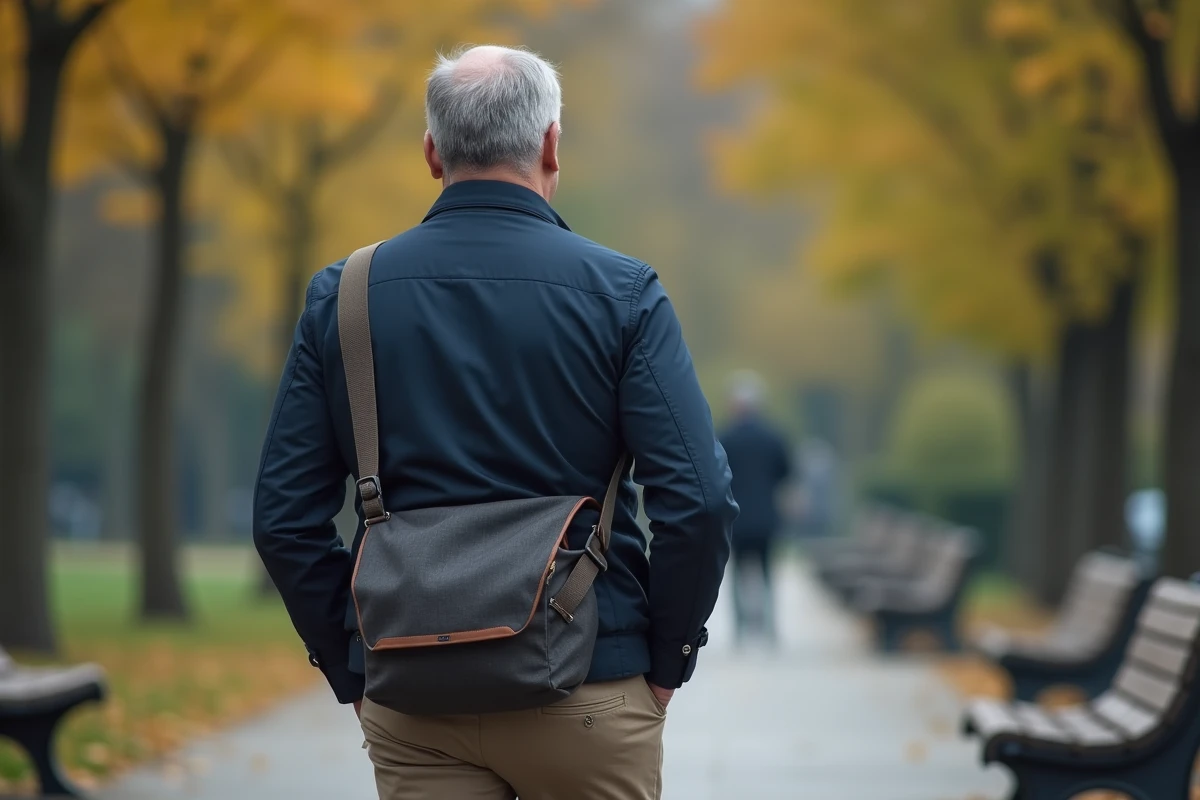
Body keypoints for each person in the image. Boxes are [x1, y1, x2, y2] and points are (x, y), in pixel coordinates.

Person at [252, 45, 737, 800]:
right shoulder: (623, 294)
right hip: (589, 683)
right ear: (550, 144)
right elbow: (698, 501)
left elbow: (283, 519)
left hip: (412, 694)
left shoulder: (344, 298)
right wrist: (667, 659)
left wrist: (352, 665)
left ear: (431, 152)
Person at [718, 371, 793, 644]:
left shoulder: (725, 437)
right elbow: (785, 473)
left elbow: (716, 475)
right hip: (765, 517)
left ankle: (740, 628)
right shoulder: (773, 437)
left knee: (737, 572)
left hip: (735, 518)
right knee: (767, 572)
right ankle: (770, 627)